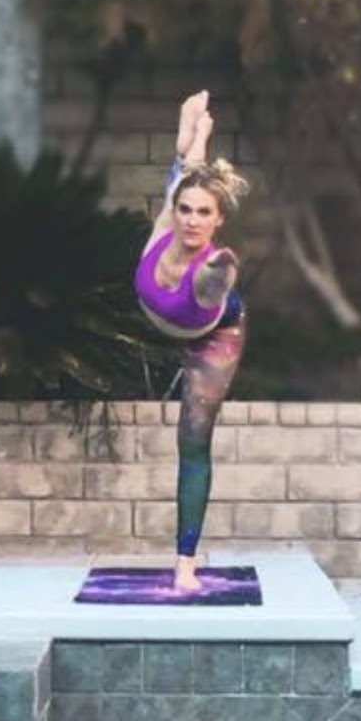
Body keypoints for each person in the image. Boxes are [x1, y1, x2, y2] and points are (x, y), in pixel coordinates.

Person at [134, 91, 249, 592]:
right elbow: (185, 189)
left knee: (193, 441)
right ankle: (191, 142)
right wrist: (197, 139)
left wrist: (217, 273)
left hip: (214, 332)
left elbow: (198, 203)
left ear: (219, 220)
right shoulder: (166, 225)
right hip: (156, 321)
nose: (192, 219)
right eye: (186, 209)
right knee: (185, 170)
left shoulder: (210, 255)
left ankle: (185, 562)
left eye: (205, 213)